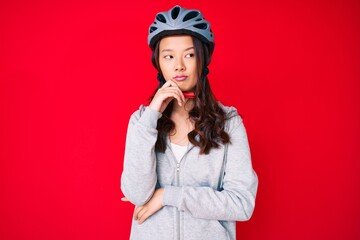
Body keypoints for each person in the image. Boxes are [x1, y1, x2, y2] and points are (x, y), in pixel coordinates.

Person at [120, 5, 258, 240]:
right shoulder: (142, 122)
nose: (179, 66)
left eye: (189, 54)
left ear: (202, 59)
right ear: (159, 63)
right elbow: (136, 194)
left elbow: (241, 204)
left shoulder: (228, 122)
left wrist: (167, 196)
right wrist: (151, 116)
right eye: (169, 56)